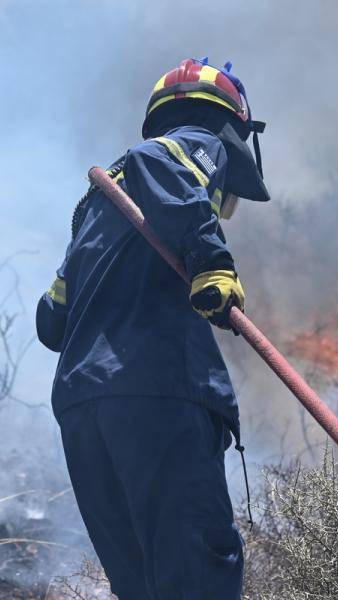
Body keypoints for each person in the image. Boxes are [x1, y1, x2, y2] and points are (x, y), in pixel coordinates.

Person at [35, 57, 269, 600]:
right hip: (158, 390)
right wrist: (212, 262)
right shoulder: (195, 140)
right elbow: (161, 161)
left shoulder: (99, 205)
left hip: (83, 408)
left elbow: (52, 319)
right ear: (230, 124)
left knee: (142, 585)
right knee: (196, 575)